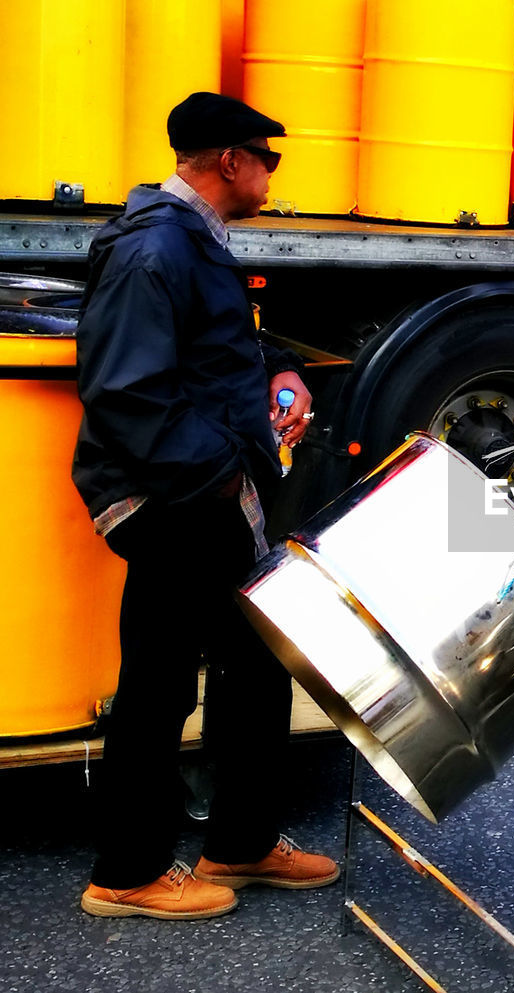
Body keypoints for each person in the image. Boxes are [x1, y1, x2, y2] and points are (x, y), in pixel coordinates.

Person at [72, 92, 337, 921]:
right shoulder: (155, 250)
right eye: (270, 157)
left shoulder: (192, 242)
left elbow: (219, 346)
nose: (271, 172)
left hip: (204, 490)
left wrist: (279, 371)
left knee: (256, 661)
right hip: (168, 497)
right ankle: (126, 870)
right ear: (230, 161)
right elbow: (124, 393)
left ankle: (242, 841)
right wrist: (223, 474)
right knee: (158, 682)